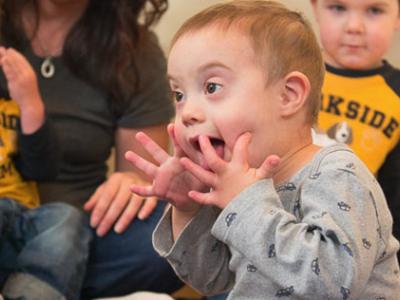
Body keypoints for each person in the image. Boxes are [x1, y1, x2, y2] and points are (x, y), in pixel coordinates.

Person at [125, 1, 400, 299]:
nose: (188, 111)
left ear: (288, 95)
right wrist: (187, 209)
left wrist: (245, 203)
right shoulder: (243, 182)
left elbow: (331, 285)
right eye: (179, 94)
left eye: (212, 87)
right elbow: (212, 280)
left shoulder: (339, 173)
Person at [0, 0, 182, 298]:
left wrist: (133, 180)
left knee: (172, 234)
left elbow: (143, 173)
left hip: (78, 227)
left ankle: (39, 284)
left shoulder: (134, 50)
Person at [309, 0, 400, 255]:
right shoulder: (282, 72)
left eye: (374, 10)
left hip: (348, 252)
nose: (354, 27)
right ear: (315, 8)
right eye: (338, 7)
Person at [0, 47, 91, 299]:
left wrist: (29, 102)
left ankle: (33, 293)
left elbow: (43, 168)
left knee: (66, 217)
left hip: (22, 221)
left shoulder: (11, 103)